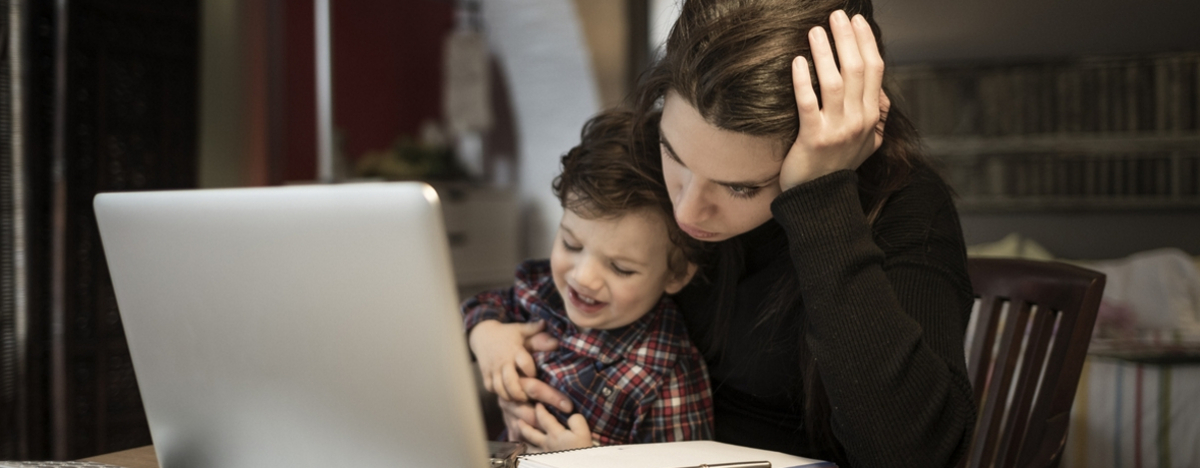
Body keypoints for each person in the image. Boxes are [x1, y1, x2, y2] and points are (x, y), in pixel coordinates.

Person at [470, 0, 978, 467]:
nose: (687, 211)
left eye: (740, 188)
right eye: (674, 153)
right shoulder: (640, 164)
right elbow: (564, 297)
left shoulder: (905, 209)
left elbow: (914, 456)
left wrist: (822, 199)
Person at [461, 109, 713, 451]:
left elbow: (690, 462)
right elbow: (483, 304)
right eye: (571, 244)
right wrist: (486, 334)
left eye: (621, 268)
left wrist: (587, 460)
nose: (583, 278)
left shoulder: (665, 373)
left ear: (678, 274)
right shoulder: (543, 290)